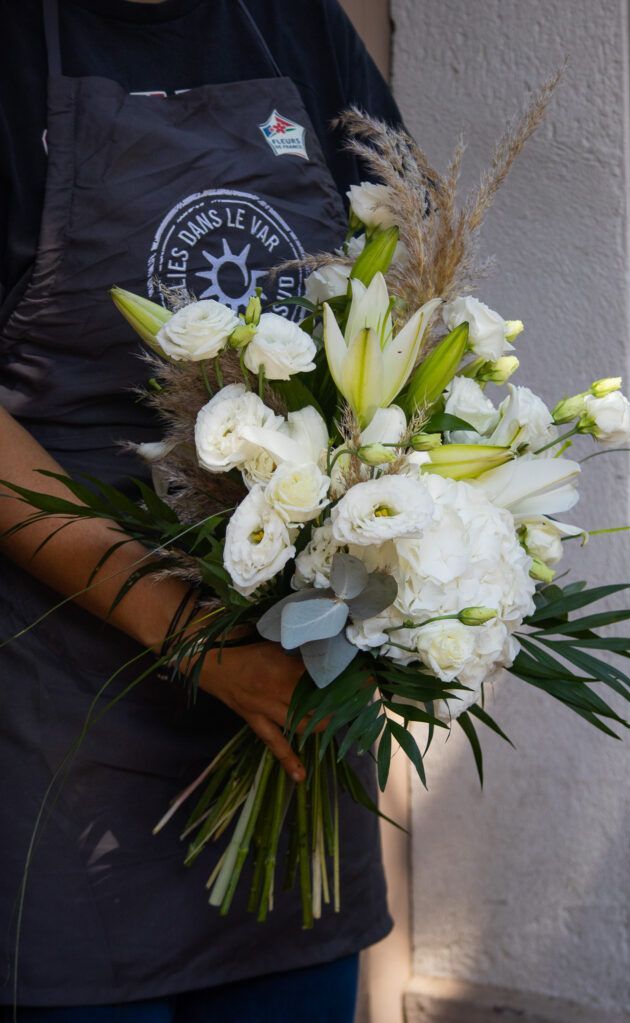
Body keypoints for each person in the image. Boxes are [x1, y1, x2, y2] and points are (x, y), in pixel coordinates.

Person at [0, 1, 401, 1019]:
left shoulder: (293, 23)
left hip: (288, 717)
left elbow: (391, 296)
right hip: (64, 723)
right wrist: (188, 633)